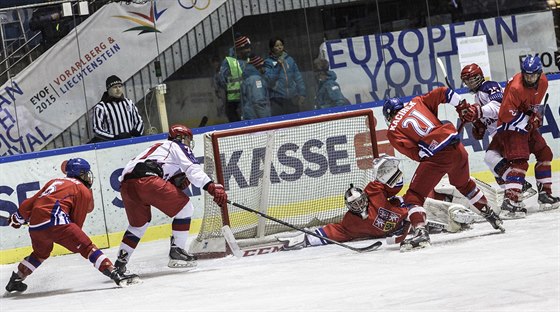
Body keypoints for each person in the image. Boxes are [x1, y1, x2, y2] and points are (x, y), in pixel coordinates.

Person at [383, 87, 505, 248]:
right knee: (464, 184)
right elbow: (444, 92)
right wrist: (462, 106)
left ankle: (420, 232)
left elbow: (417, 155)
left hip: (437, 156)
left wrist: (434, 164)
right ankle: (491, 215)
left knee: (413, 196)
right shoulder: (416, 102)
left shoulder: (392, 131)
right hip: (456, 145)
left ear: (389, 116)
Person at [279, 156, 476, 252]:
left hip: (407, 212)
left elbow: (395, 183)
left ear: (365, 196)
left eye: (360, 201)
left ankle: (467, 206)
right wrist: (305, 238)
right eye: (353, 205)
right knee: (450, 223)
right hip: (402, 231)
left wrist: (388, 168)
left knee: (442, 202)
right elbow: (331, 232)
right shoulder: (351, 223)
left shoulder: (373, 190)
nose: (359, 206)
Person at [5, 158, 138, 293]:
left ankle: (17, 278)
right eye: (86, 173)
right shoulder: (82, 189)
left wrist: (17, 218)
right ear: (80, 174)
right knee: (88, 248)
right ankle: (114, 273)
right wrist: (76, 240)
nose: (88, 176)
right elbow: (76, 222)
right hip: (57, 222)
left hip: (35, 226)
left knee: (40, 254)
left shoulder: (54, 182)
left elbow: (31, 202)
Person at [113, 124, 228, 274]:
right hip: (147, 181)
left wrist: (172, 181)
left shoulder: (157, 147)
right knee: (185, 208)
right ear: (181, 137)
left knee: (138, 225)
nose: (188, 143)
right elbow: (193, 170)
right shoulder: (177, 145)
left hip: (126, 186)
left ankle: (120, 263)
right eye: (188, 139)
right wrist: (211, 187)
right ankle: (177, 252)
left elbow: (147, 168)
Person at [458, 63, 537, 216]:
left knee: (490, 158)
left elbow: (499, 105)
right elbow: (484, 121)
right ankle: (513, 194)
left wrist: (478, 111)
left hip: (508, 130)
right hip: (500, 135)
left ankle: (519, 188)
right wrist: (478, 125)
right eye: (466, 80)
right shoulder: (477, 96)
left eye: (472, 79)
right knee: (494, 166)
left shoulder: (489, 86)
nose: (469, 83)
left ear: (480, 76)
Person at [494, 55, 559, 210]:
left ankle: (545, 195)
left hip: (525, 124)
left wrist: (536, 115)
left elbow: (534, 105)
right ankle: (510, 202)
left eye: (533, 75)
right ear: (523, 73)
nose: (530, 78)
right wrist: (527, 121)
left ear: (539, 73)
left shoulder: (543, 81)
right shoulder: (516, 87)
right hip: (509, 126)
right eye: (527, 75)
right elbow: (505, 114)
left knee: (545, 153)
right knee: (520, 161)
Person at [90, 75, 144, 142]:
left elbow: (139, 121)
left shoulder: (129, 102)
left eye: (120, 86)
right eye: (115, 87)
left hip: (132, 142)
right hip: (112, 146)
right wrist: (115, 138)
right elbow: (97, 129)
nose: (118, 89)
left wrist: (136, 133)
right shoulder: (101, 107)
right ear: (108, 89)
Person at [264, 37, 306, 116]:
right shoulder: (268, 62)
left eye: (281, 45)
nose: (280, 47)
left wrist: (302, 93)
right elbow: (269, 80)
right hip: (277, 99)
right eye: (276, 46)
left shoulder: (290, 60)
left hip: (292, 98)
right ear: (272, 48)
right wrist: (278, 66)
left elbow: (298, 77)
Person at [218, 35, 252, 122]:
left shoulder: (250, 60)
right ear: (239, 50)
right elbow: (222, 81)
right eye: (246, 48)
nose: (249, 50)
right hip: (234, 102)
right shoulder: (229, 62)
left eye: (249, 48)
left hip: (249, 100)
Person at [241, 55, 271, 120]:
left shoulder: (250, 78)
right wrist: (266, 120)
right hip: (257, 118)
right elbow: (258, 102)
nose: (265, 69)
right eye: (263, 66)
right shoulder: (256, 80)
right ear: (258, 67)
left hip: (252, 116)